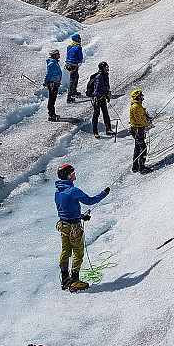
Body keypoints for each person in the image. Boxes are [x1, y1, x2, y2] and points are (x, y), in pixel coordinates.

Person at [54, 163, 109, 292]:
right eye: (73, 173)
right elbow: (90, 201)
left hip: (63, 226)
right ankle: (75, 280)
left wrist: (80, 216)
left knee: (65, 251)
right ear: (69, 175)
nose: (74, 175)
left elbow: (66, 208)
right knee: (78, 252)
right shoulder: (73, 190)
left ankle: (65, 278)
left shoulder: (58, 191)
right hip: (74, 227)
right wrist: (104, 193)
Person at [128, 89, 154, 174]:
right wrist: (147, 123)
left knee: (137, 147)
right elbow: (139, 120)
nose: (143, 97)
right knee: (143, 148)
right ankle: (141, 167)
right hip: (137, 129)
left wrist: (146, 118)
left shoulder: (138, 105)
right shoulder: (135, 107)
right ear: (138, 97)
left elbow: (141, 116)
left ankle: (135, 166)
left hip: (138, 129)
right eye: (141, 96)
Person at [88, 61, 113, 139]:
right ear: (102, 68)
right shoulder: (99, 76)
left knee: (105, 112)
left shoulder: (105, 75)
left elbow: (106, 86)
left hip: (102, 97)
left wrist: (107, 93)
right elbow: (98, 87)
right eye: (106, 67)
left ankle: (108, 129)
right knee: (96, 113)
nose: (107, 68)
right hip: (97, 98)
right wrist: (98, 95)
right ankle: (95, 131)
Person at [44, 49, 63, 121]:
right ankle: (51, 115)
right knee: (51, 99)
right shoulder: (52, 64)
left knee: (53, 99)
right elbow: (48, 74)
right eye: (58, 54)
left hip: (55, 83)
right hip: (52, 84)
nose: (59, 55)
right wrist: (45, 82)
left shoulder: (54, 63)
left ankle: (53, 114)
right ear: (54, 55)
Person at [65, 34, 83, 103]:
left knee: (75, 77)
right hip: (74, 65)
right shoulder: (78, 47)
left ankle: (73, 91)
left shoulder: (69, 46)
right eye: (79, 38)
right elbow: (80, 57)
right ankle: (69, 96)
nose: (80, 39)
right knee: (72, 79)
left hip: (68, 64)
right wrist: (79, 61)